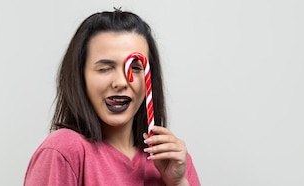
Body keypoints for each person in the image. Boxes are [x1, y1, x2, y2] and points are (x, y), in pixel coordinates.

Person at [24, 9, 200, 186]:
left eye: (136, 68)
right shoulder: (63, 151)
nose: (121, 82)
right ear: (80, 76)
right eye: (105, 68)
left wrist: (178, 183)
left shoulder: (173, 159)